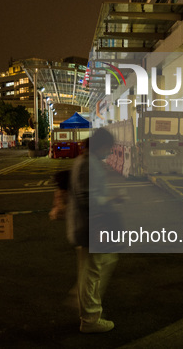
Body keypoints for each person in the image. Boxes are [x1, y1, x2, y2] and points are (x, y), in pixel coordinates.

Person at [66, 128, 119, 333]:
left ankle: (83, 303)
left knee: (94, 268)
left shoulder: (86, 161)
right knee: (92, 272)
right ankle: (90, 319)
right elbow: (88, 198)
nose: (111, 152)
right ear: (102, 146)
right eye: (109, 147)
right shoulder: (88, 164)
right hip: (90, 227)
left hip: (86, 226)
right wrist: (112, 199)